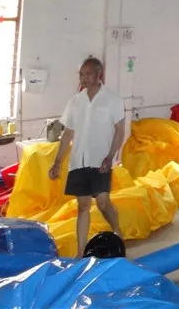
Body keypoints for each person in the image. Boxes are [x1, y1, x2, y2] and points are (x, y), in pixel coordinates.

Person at [48, 56, 125, 257]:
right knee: (83, 206)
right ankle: (81, 253)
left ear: (99, 74)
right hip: (79, 161)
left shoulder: (113, 100)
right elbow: (68, 134)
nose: (83, 78)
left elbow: (119, 131)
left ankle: (118, 231)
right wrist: (57, 162)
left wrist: (110, 156)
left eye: (88, 74)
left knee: (102, 203)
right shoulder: (75, 101)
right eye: (81, 74)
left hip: (101, 160)